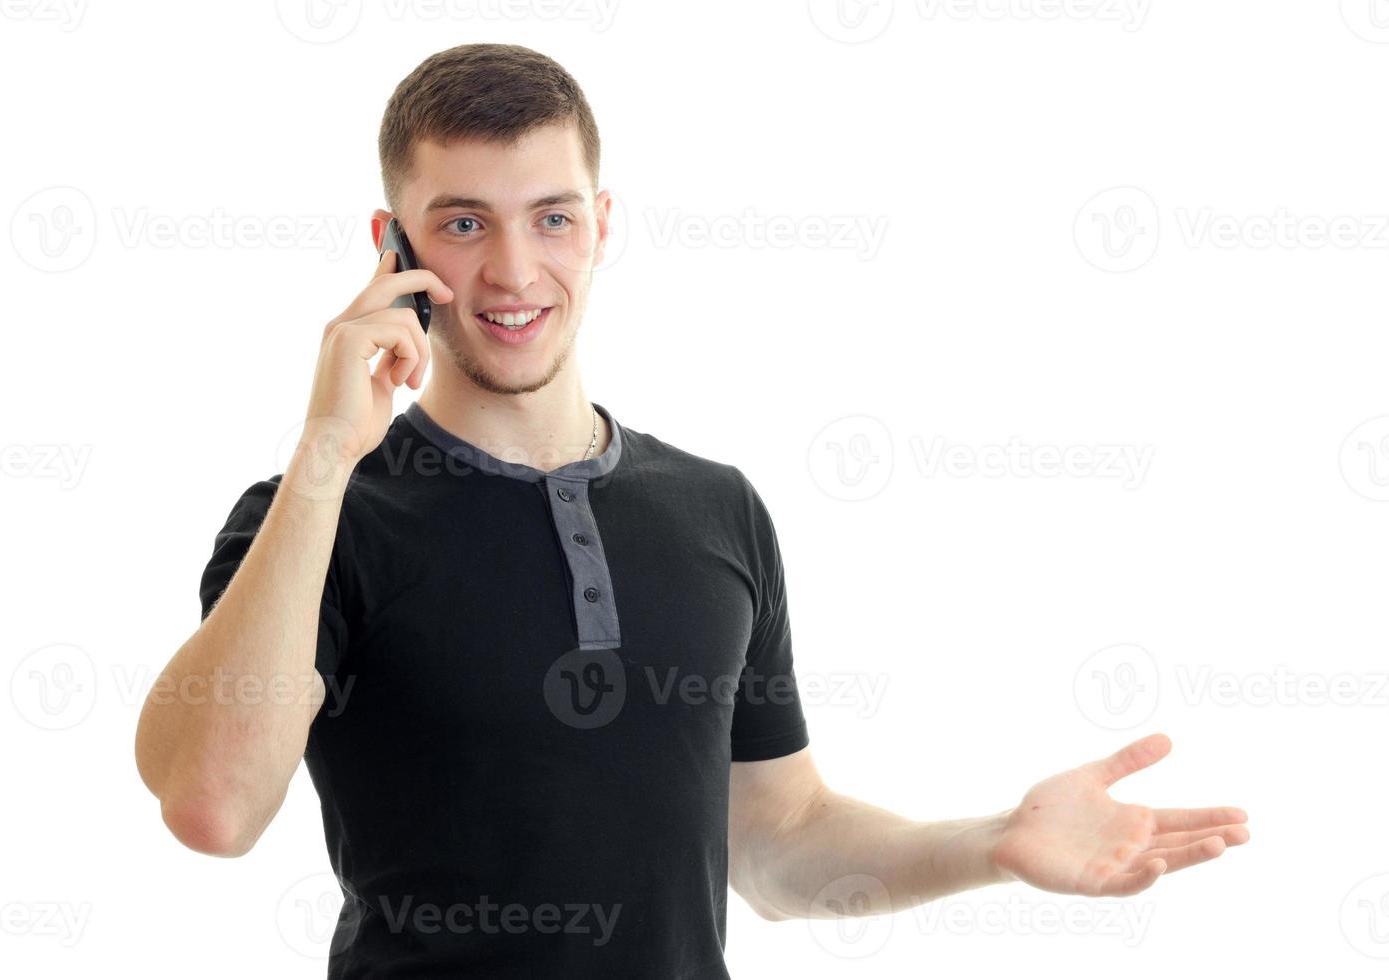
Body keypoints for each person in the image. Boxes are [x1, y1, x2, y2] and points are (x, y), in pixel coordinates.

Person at [134, 42, 1250, 979]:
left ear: (603, 222)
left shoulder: (716, 509)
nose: (515, 269)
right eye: (464, 224)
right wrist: (327, 449)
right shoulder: (319, 515)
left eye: (552, 217)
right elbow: (211, 807)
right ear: (394, 246)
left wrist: (994, 842)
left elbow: (780, 842)